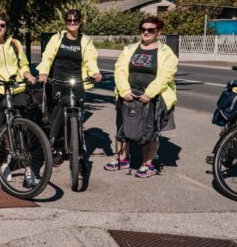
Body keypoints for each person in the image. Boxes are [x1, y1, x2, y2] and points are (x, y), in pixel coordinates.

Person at [107, 16, 178, 177]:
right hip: (128, 94)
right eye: (143, 29)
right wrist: (124, 90)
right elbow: (119, 70)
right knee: (123, 127)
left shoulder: (167, 53)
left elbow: (166, 75)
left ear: (158, 32)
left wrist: (149, 93)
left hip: (152, 97)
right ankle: (122, 159)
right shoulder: (130, 49)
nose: (146, 32)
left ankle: (148, 164)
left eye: (151, 30)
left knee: (149, 131)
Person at [0, 12, 37, 183]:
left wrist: (27, 74)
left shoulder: (15, 43)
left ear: (7, 27)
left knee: (21, 128)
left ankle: (28, 168)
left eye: (2, 25)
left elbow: (23, 63)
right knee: (1, 127)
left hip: (16, 87)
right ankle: (3, 164)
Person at [37, 10, 102, 164]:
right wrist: (43, 72)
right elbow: (47, 56)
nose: (72, 23)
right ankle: (56, 149)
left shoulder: (85, 41)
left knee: (77, 115)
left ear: (80, 22)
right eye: (69, 20)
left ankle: (77, 149)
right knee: (57, 116)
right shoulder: (57, 38)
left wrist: (95, 72)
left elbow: (90, 60)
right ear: (65, 22)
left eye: (75, 20)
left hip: (77, 80)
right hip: (58, 80)